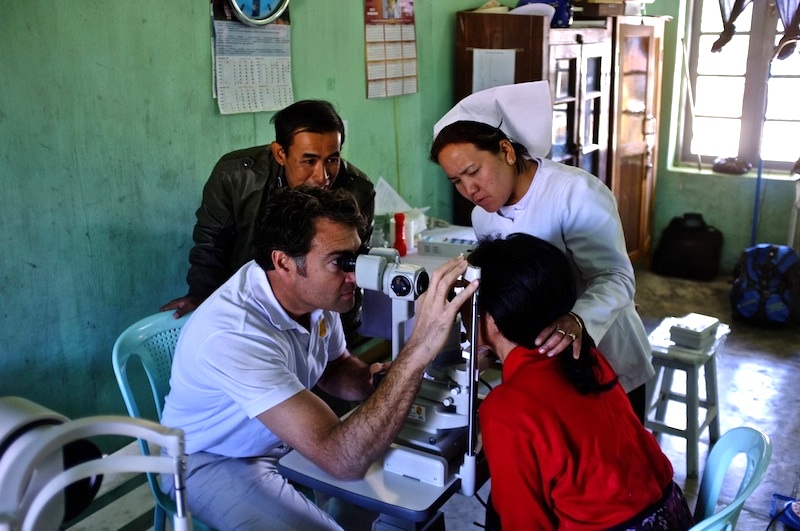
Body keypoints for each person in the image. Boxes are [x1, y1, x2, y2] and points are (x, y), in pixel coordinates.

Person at [159, 186, 478, 530]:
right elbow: (342, 460)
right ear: (284, 262)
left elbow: (334, 365)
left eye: (357, 258)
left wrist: (378, 382)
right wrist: (417, 350)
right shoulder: (234, 334)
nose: (354, 276)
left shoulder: (315, 295)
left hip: (280, 435)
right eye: (340, 262)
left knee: (399, 496)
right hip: (212, 459)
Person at [430, 81, 653, 421]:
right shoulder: (483, 217)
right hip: (540, 369)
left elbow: (617, 276)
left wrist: (577, 319)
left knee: (611, 462)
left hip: (606, 356)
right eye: (456, 181)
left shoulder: (573, 193)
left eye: (473, 172)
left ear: (506, 150)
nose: (469, 189)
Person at [468, 233, 694, 530]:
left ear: (491, 317)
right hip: (672, 512)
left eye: (467, 300)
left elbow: (524, 524)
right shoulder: (584, 354)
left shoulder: (506, 409)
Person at [160, 99, 375, 343]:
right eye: (309, 161)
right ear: (280, 153)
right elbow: (211, 244)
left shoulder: (359, 191)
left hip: (318, 312)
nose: (322, 176)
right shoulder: (236, 176)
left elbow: (352, 267)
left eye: (332, 160)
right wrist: (200, 295)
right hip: (248, 310)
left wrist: (340, 344)